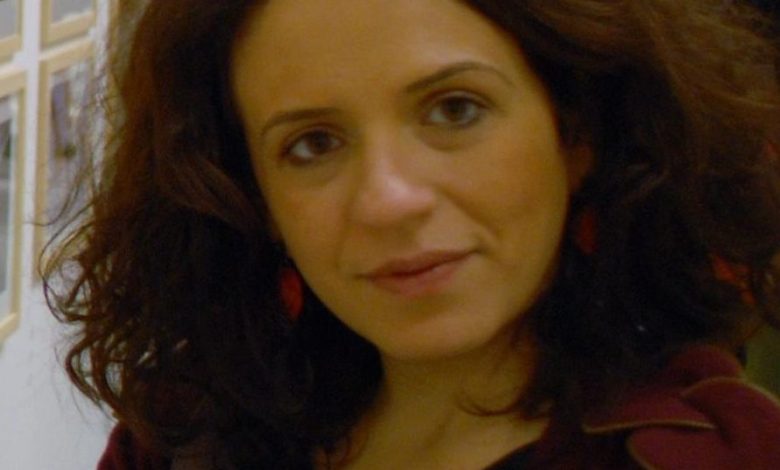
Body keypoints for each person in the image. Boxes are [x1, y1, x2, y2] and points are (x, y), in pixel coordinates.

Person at [44, 0, 780, 468]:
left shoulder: (707, 454)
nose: (388, 201)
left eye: (455, 110)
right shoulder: (180, 437)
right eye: (312, 144)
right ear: (254, 197)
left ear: (576, 134)